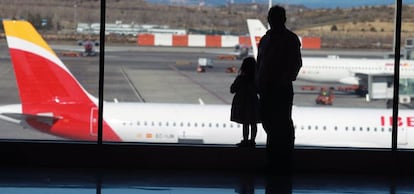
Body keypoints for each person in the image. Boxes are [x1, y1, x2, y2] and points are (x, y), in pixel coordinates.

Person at [256, 5, 302, 174]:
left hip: (280, 90)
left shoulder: (289, 39)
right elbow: (260, 63)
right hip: (267, 89)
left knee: (281, 127)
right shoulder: (267, 39)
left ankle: (283, 162)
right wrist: (259, 82)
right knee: (271, 126)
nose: (271, 20)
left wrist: (283, 79)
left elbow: (296, 64)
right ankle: (274, 162)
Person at [230, 57, 260, 147]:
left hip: (242, 103)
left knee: (245, 123)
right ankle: (252, 140)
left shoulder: (241, 78)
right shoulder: (256, 79)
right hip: (253, 103)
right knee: (253, 123)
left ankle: (246, 140)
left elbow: (232, 89)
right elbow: (259, 90)